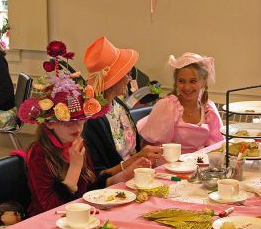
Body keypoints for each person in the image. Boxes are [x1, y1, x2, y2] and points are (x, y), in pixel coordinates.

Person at [18, 40, 148, 216]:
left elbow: (91, 189)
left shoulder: (76, 142)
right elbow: (51, 209)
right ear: (50, 122)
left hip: (79, 218)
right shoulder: (40, 154)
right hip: (46, 224)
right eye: (68, 121)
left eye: (81, 120)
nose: (78, 127)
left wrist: (122, 176)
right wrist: (75, 168)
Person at [83, 36, 163, 177]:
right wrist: (136, 159)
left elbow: (134, 151)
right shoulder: (92, 119)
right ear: (114, 80)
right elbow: (98, 176)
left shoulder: (118, 105)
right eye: (127, 74)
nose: (129, 79)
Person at [137, 52, 223, 154]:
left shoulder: (209, 109)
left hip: (196, 164)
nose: (187, 87)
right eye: (181, 81)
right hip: (166, 164)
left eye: (193, 81)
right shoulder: (167, 106)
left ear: (203, 82)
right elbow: (147, 145)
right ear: (176, 82)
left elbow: (216, 145)